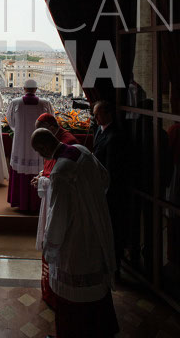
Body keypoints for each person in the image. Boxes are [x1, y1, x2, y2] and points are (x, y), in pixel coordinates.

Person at [31, 128, 119, 338]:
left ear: (44, 147)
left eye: (39, 151)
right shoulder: (82, 150)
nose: (41, 156)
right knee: (96, 288)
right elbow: (105, 178)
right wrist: (91, 201)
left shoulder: (60, 172)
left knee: (72, 296)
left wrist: (49, 247)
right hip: (96, 226)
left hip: (76, 239)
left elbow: (58, 217)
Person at [31, 113, 77, 307]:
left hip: (61, 208)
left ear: (50, 127)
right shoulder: (58, 143)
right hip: (53, 199)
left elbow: (61, 180)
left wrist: (42, 180)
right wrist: (42, 175)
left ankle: (57, 293)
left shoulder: (69, 143)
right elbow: (51, 167)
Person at [6, 78, 53, 212]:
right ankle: (37, 203)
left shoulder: (15, 103)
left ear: (24, 89)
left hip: (20, 143)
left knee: (21, 168)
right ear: (36, 89)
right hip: (40, 142)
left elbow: (11, 122)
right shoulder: (45, 103)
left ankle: (20, 201)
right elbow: (51, 121)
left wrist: (20, 130)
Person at [92, 100, 128, 275]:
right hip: (101, 189)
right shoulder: (100, 130)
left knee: (113, 228)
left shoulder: (114, 137)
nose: (95, 118)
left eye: (97, 114)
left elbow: (111, 170)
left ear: (108, 114)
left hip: (110, 192)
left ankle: (114, 266)